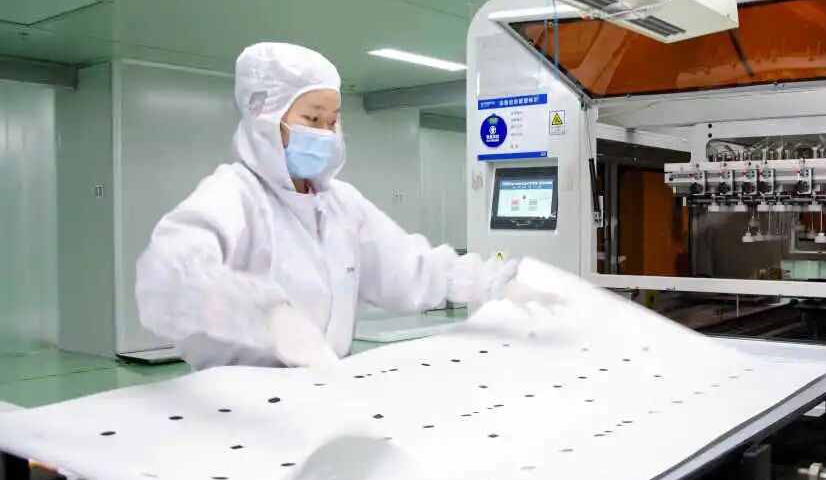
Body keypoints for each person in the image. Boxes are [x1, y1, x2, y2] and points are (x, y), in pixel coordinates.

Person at [136, 42, 545, 370]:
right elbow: (169, 274)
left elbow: (412, 268)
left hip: (323, 390)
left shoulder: (341, 205)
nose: (326, 133)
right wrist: (266, 317)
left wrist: (497, 283)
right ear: (262, 115)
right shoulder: (235, 194)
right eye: (313, 119)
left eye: (333, 121)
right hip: (240, 404)